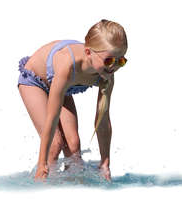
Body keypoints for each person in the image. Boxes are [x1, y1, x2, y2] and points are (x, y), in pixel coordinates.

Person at [17, 19, 128, 181]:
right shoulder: (68, 65)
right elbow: (52, 118)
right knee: (55, 144)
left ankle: (72, 189)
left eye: (121, 61)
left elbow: (103, 120)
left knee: (74, 147)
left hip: (62, 86)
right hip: (35, 81)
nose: (115, 67)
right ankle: (42, 186)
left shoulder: (107, 74)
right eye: (109, 60)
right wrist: (42, 164)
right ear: (89, 53)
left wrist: (105, 163)